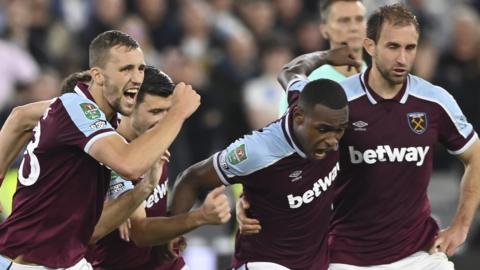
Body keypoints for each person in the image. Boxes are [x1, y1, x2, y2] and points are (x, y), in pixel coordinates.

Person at [239, 3, 480, 270]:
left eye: (410, 48)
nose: (402, 58)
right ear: (370, 46)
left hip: (420, 254)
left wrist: (461, 225)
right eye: (392, 46)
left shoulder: (434, 101)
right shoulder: (339, 101)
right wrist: (249, 200)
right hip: (348, 258)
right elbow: (283, 154)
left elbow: (475, 155)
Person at [0, 30, 202, 269]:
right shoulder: (77, 108)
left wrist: (144, 188)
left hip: (71, 260)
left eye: (140, 68)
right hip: (30, 262)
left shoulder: (107, 124)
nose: (137, 78)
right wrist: (177, 113)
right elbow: (128, 164)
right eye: (126, 69)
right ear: (98, 75)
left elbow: (21, 116)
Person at [169, 47, 360, 269]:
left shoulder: (309, 103)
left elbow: (291, 70)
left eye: (340, 130)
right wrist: (171, 232)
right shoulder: (258, 150)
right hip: (264, 262)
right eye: (324, 129)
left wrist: (325, 57)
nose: (332, 140)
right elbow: (191, 178)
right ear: (299, 117)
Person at [86, 66, 230, 270]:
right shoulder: (112, 154)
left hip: (166, 264)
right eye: (155, 111)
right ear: (129, 105)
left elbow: (160, 202)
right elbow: (140, 232)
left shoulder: (158, 135)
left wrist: (171, 232)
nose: (164, 121)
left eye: (167, 111)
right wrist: (199, 216)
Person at [278, 0, 368, 115]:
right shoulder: (305, 79)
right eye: (344, 21)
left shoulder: (378, 77)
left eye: (359, 19)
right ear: (324, 30)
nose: (354, 28)